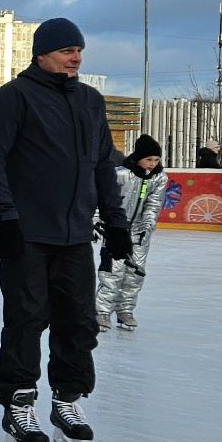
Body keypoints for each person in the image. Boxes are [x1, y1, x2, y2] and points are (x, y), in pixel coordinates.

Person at [0, 18, 127, 442]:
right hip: (28, 233)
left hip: (76, 234)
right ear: (41, 53)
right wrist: (5, 218)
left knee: (78, 322)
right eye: (65, 50)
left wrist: (114, 223)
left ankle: (67, 401)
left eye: (78, 49)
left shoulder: (90, 101)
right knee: (26, 318)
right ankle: (19, 407)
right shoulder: (14, 97)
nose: (75, 56)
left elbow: (102, 166)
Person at [95, 134, 166, 332]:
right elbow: (103, 198)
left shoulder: (159, 177)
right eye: (148, 159)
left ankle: (125, 310)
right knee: (112, 273)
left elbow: (153, 205)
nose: (152, 164)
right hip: (116, 231)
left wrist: (146, 227)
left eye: (156, 160)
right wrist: (99, 222)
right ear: (138, 157)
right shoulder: (120, 174)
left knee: (135, 274)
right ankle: (101, 311)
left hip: (140, 234)